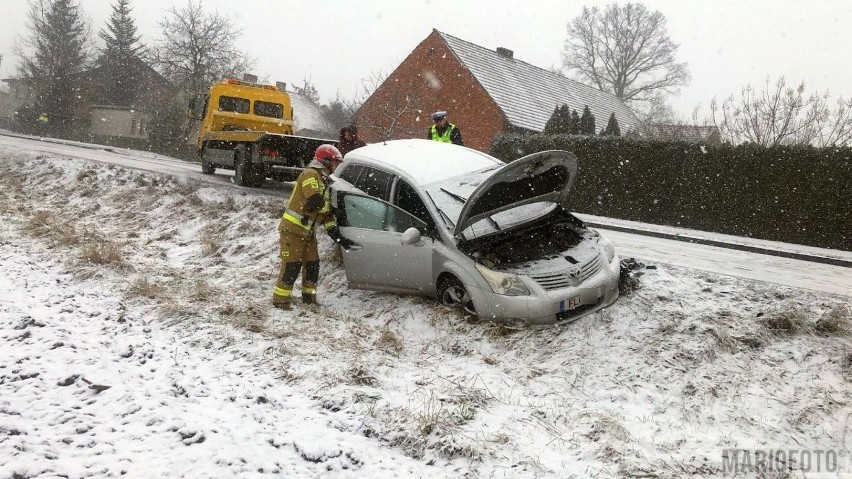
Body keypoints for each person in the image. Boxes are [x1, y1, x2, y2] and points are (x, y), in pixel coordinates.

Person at [272, 144, 357, 310]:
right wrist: (332, 210)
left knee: (313, 266)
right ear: (325, 161)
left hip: (308, 232)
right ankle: (280, 301)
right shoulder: (310, 174)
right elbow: (315, 201)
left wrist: (337, 236)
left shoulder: (325, 181)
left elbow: (325, 215)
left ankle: (309, 300)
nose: (336, 166)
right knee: (291, 266)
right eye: (335, 162)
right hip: (292, 231)